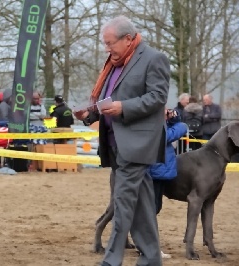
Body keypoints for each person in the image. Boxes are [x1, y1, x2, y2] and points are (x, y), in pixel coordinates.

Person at [74, 15, 169, 266]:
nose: (107, 49)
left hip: (136, 144)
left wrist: (123, 107)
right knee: (142, 205)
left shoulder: (153, 58)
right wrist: (89, 113)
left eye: (110, 43)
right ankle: (151, 258)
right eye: (104, 44)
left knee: (123, 202)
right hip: (114, 143)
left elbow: (158, 98)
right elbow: (106, 100)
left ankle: (111, 260)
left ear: (128, 39)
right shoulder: (114, 63)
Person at [149, 108, 187, 258]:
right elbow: (166, 135)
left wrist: (172, 119)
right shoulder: (153, 121)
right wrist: (181, 125)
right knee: (151, 209)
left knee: (153, 208)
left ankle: (145, 244)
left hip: (157, 170)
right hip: (155, 170)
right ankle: (149, 247)